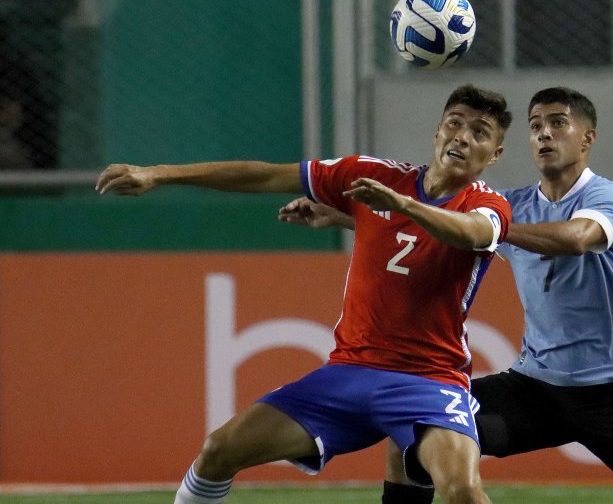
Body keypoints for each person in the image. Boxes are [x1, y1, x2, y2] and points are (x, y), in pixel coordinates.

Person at [290, 87, 613, 504]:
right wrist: (339, 216)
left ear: (587, 139)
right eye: (535, 126)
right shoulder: (512, 205)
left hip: (611, 391)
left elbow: (576, 238)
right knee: (412, 428)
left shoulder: (606, 197)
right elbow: (440, 227)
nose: (544, 134)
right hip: (534, 388)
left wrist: (492, 229)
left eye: (557, 124)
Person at [95, 84, 513, 504]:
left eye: (479, 132)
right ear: (436, 133)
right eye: (454, 124)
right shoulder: (376, 176)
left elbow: (470, 233)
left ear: (494, 154)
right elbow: (266, 175)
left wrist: (401, 206)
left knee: (462, 491)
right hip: (350, 372)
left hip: (430, 380)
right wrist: (159, 174)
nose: (462, 136)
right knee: (218, 451)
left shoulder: (488, 205)